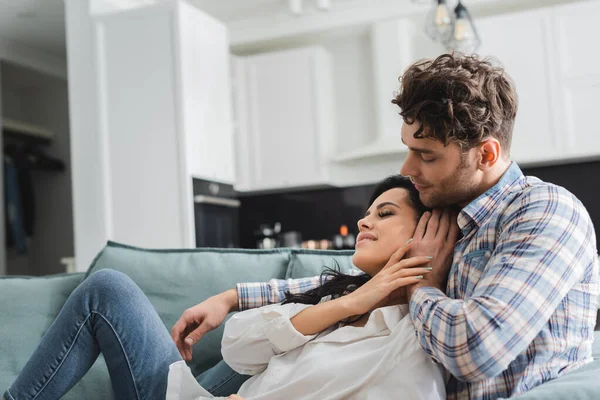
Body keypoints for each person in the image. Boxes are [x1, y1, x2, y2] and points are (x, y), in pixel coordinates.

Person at [176, 53, 599, 400]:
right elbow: (350, 282)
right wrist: (232, 297)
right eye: (408, 149)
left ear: (486, 155)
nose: (407, 168)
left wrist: (423, 285)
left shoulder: (544, 211)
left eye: (427, 155)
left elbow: (476, 350)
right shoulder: (452, 214)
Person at [3, 175, 453, 400]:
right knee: (108, 288)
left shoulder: (412, 339)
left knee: (106, 289)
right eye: (369, 211)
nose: (363, 220)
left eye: (385, 213)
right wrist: (348, 303)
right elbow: (239, 345)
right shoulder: (340, 289)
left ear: (426, 235)